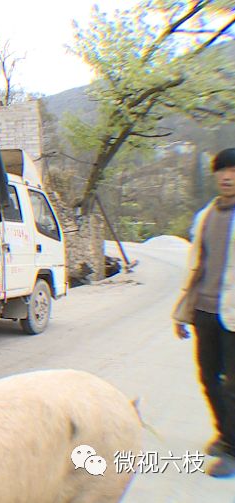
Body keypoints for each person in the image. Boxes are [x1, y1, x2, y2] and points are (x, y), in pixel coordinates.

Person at [173, 147, 235, 478]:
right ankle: (226, 434)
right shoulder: (205, 216)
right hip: (205, 311)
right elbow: (195, 268)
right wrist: (182, 313)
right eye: (222, 171)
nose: (227, 176)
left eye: (233, 171)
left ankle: (233, 449)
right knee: (208, 378)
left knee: (232, 385)